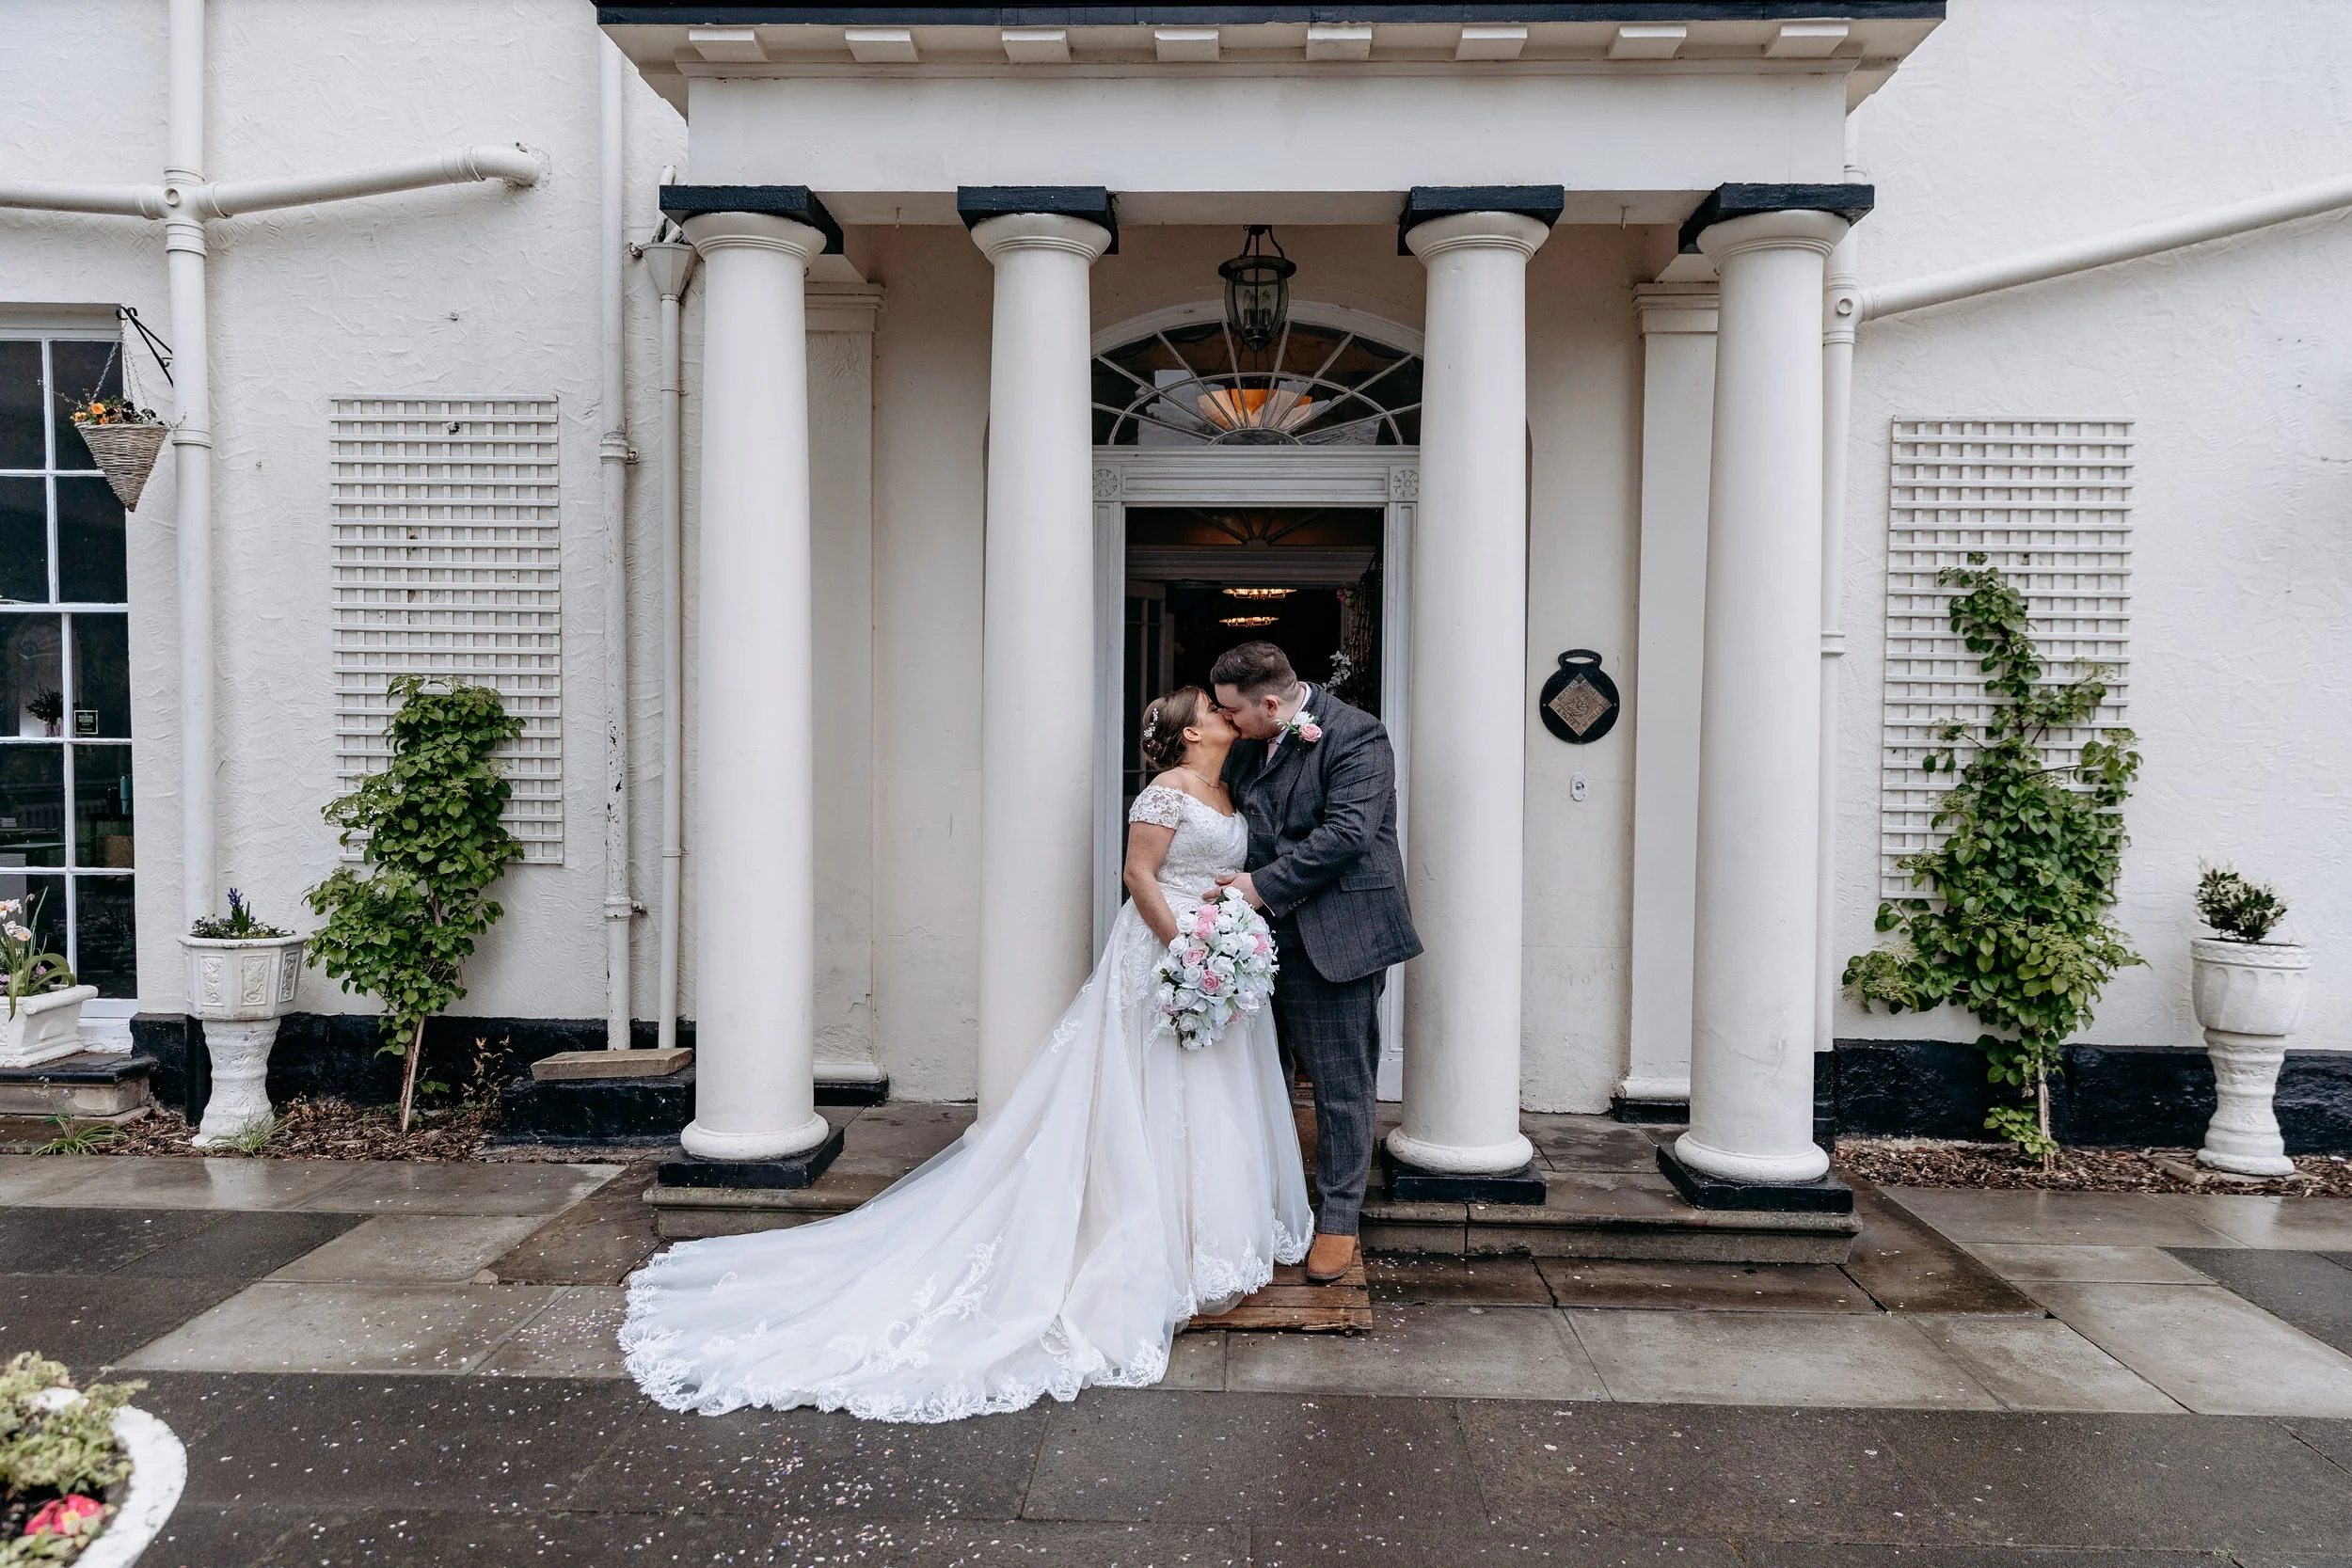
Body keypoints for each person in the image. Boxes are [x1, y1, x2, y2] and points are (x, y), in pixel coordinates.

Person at [620, 687, 1309, 1422]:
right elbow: (1139, 877)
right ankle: (1146, 1240)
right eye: (1210, 707)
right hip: (1162, 956)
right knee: (1152, 1091)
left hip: (1215, 959)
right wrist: (1183, 948)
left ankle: (1206, 1235)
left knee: (1210, 1094)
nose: (1222, 713)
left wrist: (1225, 939)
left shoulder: (1230, 789)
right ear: (1188, 731)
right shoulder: (1166, 793)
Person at [1211, 641, 1422, 1285]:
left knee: (1341, 1087)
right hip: (1258, 941)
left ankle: (1338, 1220)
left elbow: (1348, 834)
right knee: (1257, 1078)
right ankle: (1271, 1205)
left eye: (1233, 712)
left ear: (1271, 704)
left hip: (1338, 936)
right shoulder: (1248, 743)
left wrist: (1257, 885)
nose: (1226, 723)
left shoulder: (1359, 736)